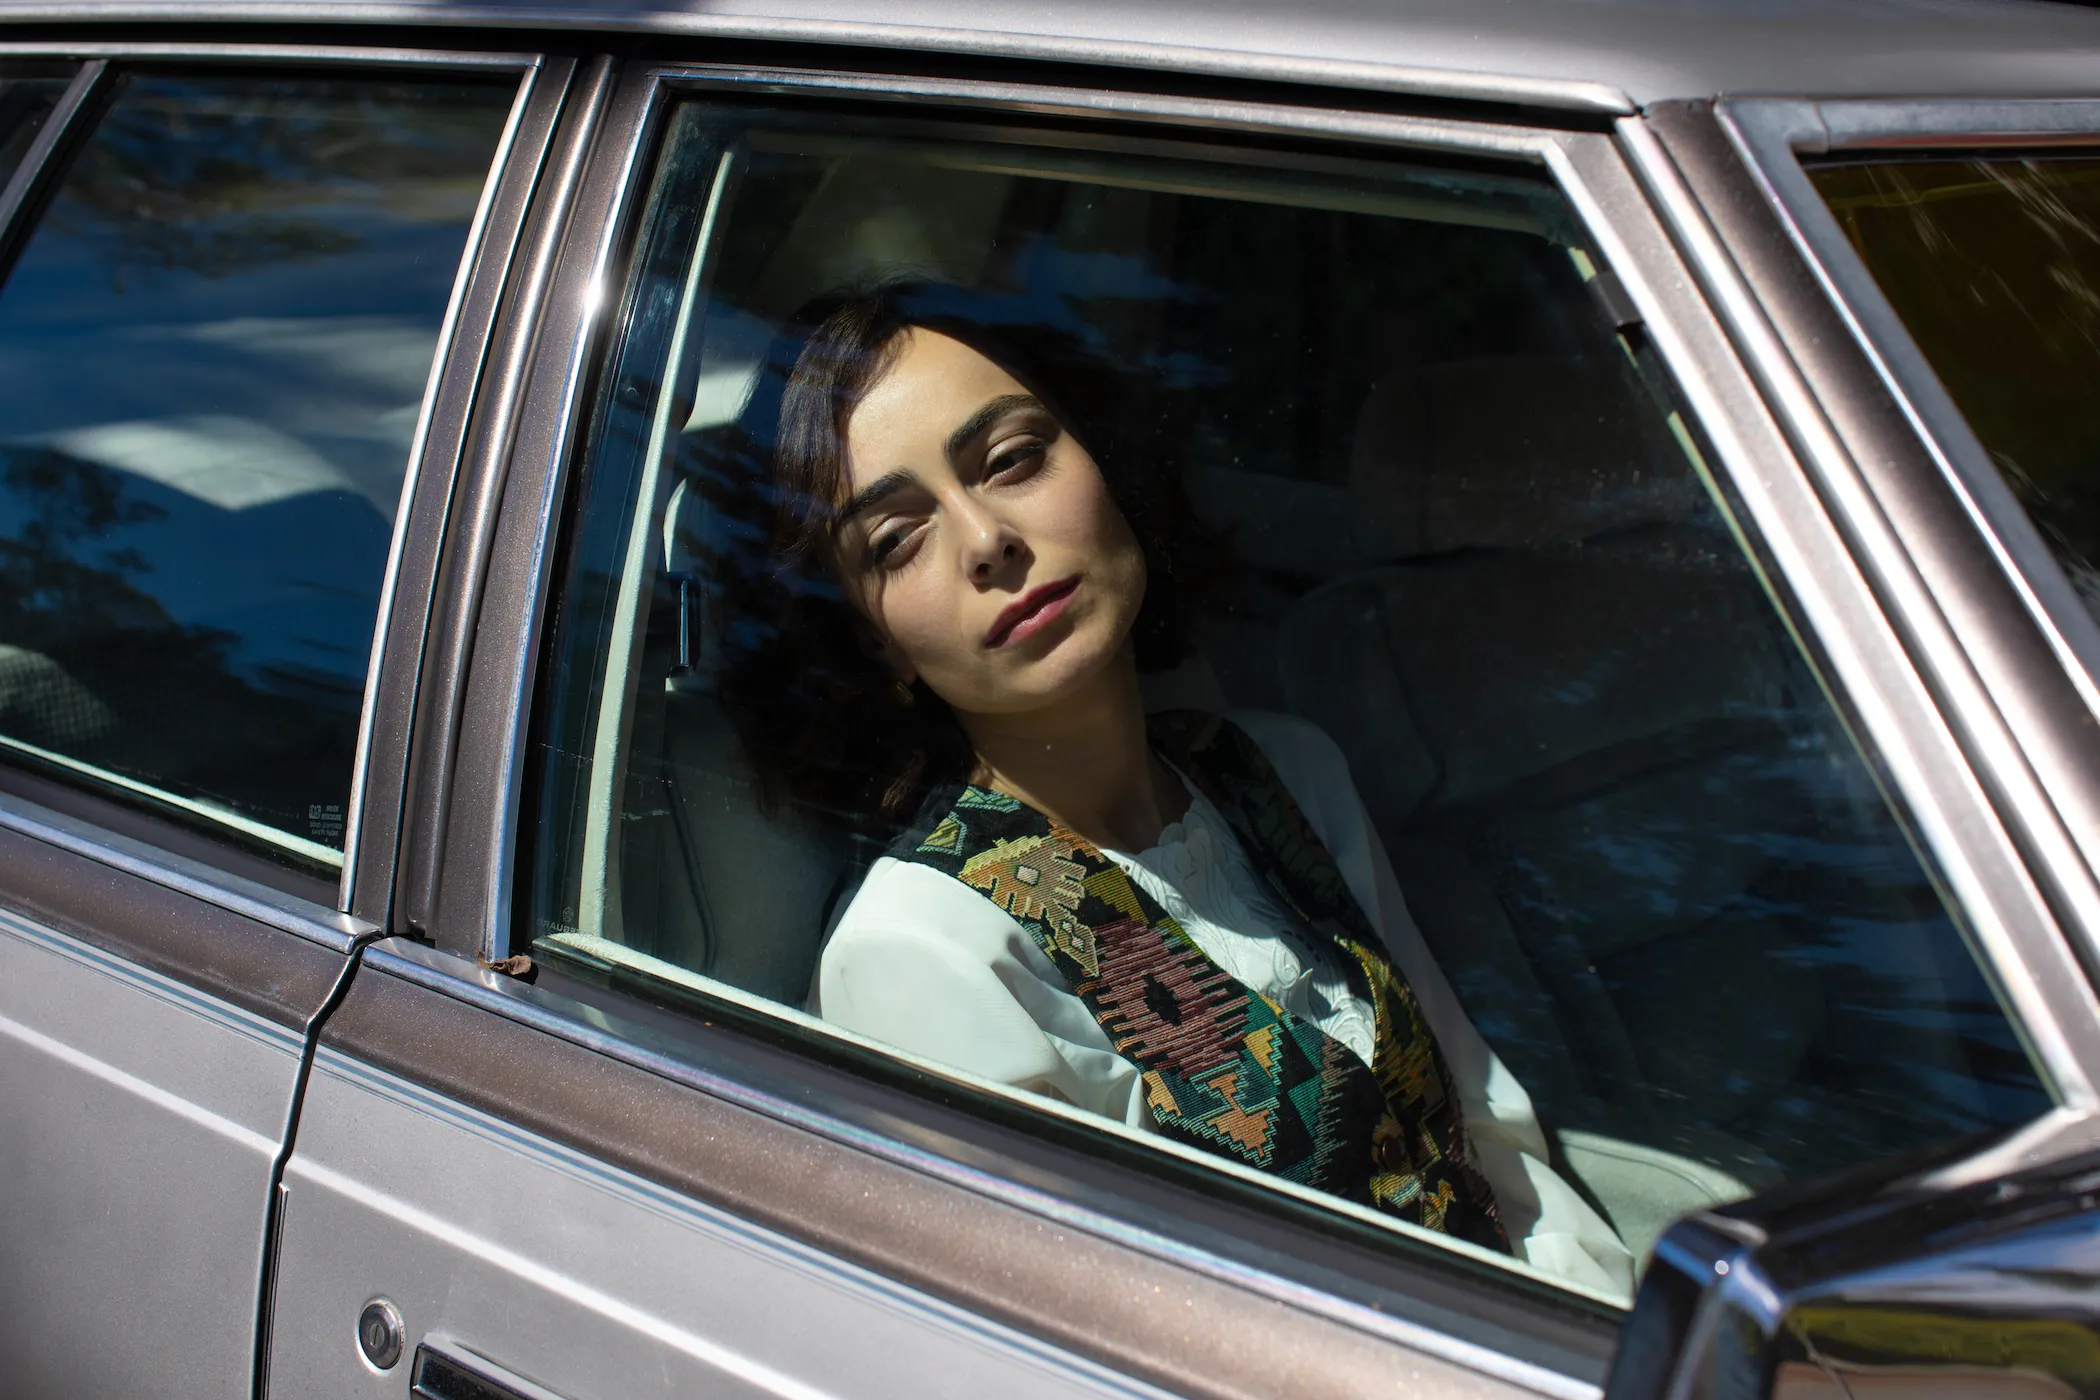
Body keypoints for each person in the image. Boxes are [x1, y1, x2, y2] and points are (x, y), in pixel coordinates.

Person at [718, 281, 1633, 1295]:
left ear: (1103, 460)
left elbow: (1491, 1138)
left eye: (1013, 460)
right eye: (896, 540)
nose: (987, 540)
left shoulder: (1280, 769)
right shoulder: (925, 950)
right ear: (873, 639)